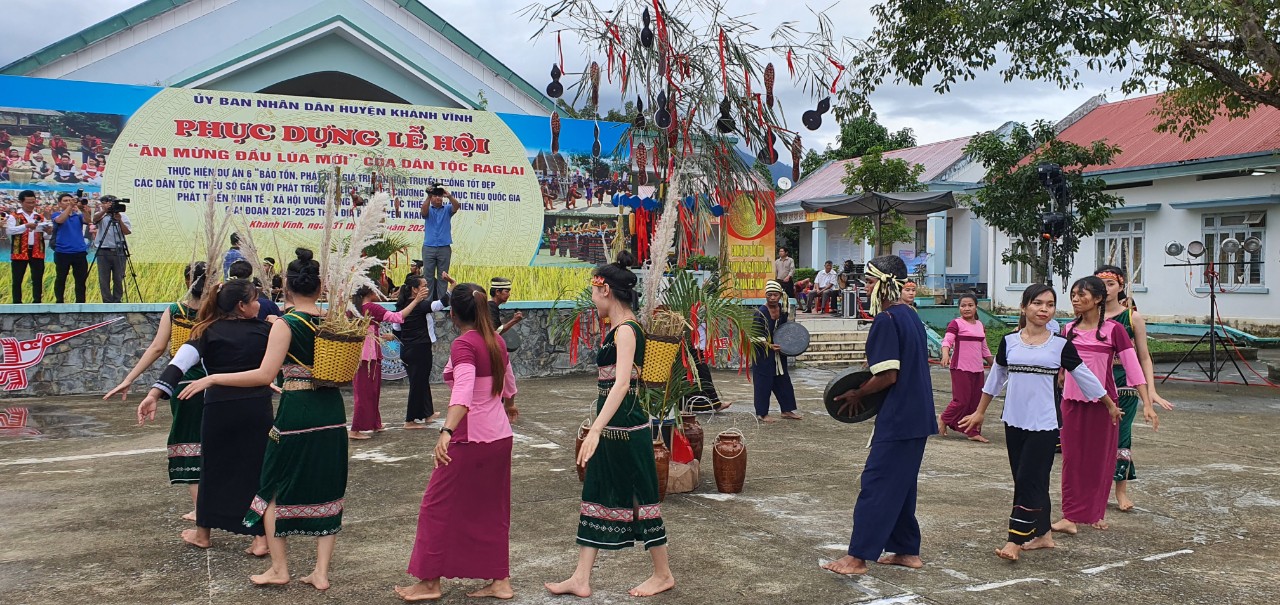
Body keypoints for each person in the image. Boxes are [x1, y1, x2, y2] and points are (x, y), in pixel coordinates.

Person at [176, 249, 350, 589]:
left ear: (286, 289)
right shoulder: (334, 321)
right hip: (331, 410)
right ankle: (321, 573)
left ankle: (280, 568)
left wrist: (212, 379)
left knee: (269, 486)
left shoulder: (286, 324)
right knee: (328, 484)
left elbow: (263, 375)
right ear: (320, 287)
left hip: (297, 409)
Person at [546, 251, 675, 599]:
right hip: (612, 429)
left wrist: (596, 428)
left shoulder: (627, 331)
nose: (592, 299)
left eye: (593, 291)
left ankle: (662, 574)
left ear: (605, 291)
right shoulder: (618, 329)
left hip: (625, 430)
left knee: (641, 499)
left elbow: (621, 385)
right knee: (597, 494)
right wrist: (598, 428)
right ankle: (581, 578)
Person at [958, 283, 1113, 561]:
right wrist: (980, 412)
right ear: (1024, 307)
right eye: (1038, 303)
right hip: (1014, 421)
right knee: (1028, 478)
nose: (1044, 309)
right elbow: (996, 378)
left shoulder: (1060, 345)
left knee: (1028, 480)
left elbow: (1084, 375)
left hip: (1044, 424)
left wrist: (1109, 404)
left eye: (1050, 305)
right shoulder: (1009, 341)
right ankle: (1044, 534)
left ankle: (1014, 540)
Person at [396, 283, 520, 601]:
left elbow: (463, 392)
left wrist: (446, 431)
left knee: (435, 507)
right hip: (499, 437)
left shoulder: (464, 345)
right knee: (492, 509)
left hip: (471, 438)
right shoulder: (496, 341)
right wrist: (509, 404)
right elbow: (508, 384)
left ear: (452, 313)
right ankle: (500, 580)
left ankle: (429, 581)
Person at [136, 278, 271, 554]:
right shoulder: (266, 330)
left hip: (219, 409)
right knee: (255, 472)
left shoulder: (206, 331)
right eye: (255, 299)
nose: (259, 304)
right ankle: (259, 538)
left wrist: (154, 394)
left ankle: (203, 534)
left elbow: (178, 364)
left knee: (212, 470)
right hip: (257, 408)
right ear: (242, 306)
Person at [824, 255, 937, 576]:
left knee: (876, 482)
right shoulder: (910, 316)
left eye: (871, 281)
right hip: (916, 416)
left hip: (900, 417)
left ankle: (857, 557)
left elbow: (888, 375)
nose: (866, 287)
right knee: (900, 484)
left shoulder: (887, 320)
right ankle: (906, 550)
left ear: (886, 284)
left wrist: (857, 393)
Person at [105, 262, 209, 521]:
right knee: (213, 443)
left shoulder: (175, 311)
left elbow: (156, 348)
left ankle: (201, 510)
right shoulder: (217, 312)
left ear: (187, 282)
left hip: (183, 385)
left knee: (188, 442)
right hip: (215, 384)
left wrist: (129, 378)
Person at [1052, 276, 1150, 534]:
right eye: (1073, 295)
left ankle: (1095, 512)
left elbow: (1133, 367)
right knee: (1072, 460)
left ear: (1097, 299)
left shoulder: (1114, 330)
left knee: (1100, 460)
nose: (1075, 299)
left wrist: (1148, 401)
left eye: (1081, 295)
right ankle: (1070, 516)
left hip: (1105, 404)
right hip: (1071, 403)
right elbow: (1061, 368)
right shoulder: (1067, 329)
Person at [1095, 266, 1173, 512]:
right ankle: (1094, 490)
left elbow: (1144, 357)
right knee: (1095, 438)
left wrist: (1150, 391)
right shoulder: (1089, 315)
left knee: (1121, 437)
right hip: (1095, 382)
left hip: (1125, 384)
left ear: (1121, 286)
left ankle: (1120, 491)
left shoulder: (1132, 317)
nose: (1106, 289)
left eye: (1111, 284)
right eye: (1102, 284)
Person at [350, 284, 429, 439]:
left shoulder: (355, 308)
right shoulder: (371, 307)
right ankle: (355, 430)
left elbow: (365, 332)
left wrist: (379, 337)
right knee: (365, 392)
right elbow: (398, 317)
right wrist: (416, 300)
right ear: (371, 292)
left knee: (371, 390)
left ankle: (374, 423)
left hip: (363, 354)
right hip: (368, 356)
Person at [397, 272, 452, 429]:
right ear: (415, 289)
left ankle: (427, 413)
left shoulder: (401, 305)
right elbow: (441, 304)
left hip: (408, 349)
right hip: (419, 349)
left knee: (421, 381)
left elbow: (396, 329)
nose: (427, 288)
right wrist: (452, 286)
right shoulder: (419, 305)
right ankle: (410, 420)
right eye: (424, 286)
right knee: (417, 383)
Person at [937, 293, 993, 442]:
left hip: (978, 369)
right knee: (961, 400)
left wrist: (994, 365)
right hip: (960, 367)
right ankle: (944, 418)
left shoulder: (980, 325)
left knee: (975, 402)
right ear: (959, 307)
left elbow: (984, 348)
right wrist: (945, 355)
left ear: (976, 307)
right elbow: (947, 340)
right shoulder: (956, 323)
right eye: (963, 306)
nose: (966, 308)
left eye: (970, 305)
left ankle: (972, 432)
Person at [751, 280, 801, 423]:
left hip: (779, 353)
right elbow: (754, 336)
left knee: (783, 381)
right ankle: (762, 413)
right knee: (763, 383)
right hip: (763, 353)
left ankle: (787, 410)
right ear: (766, 296)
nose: (772, 298)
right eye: (769, 295)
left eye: (775, 295)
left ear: (780, 295)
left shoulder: (782, 309)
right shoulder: (760, 312)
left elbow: (786, 330)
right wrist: (769, 345)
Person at [5, 190, 52, 303]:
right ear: (21, 202)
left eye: (33, 202)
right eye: (28, 202)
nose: (32, 205)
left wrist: (49, 232)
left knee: (37, 278)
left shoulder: (39, 216)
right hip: (20, 250)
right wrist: (25, 226)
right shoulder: (14, 216)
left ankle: (37, 301)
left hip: (36, 250)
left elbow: (45, 236)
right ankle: (17, 302)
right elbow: (9, 231)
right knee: (17, 278)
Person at [421, 184, 461, 302]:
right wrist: (428, 196)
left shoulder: (447, 209)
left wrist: (448, 195)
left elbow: (456, 206)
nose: (438, 198)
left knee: (443, 276)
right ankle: (427, 303)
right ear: (432, 198)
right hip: (429, 247)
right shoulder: (428, 208)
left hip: (444, 247)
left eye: (440, 196)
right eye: (435, 196)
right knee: (428, 276)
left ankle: (441, 302)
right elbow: (423, 212)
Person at [91, 196, 132, 303]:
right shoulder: (101, 216)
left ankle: (117, 300)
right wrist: (104, 211)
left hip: (119, 250)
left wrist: (119, 221)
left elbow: (127, 232)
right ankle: (107, 301)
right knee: (104, 279)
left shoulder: (122, 216)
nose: (109, 205)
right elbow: (94, 220)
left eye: (111, 203)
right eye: (106, 203)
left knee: (119, 277)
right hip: (103, 251)